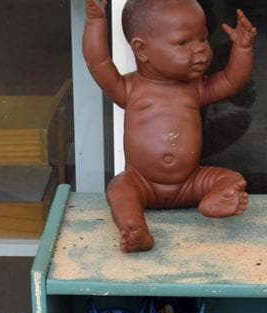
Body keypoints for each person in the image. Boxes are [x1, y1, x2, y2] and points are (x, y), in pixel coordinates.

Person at [84, 0, 257, 252]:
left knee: (231, 179)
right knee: (118, 189)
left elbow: (232, 81)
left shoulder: (196, 88)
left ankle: (213, 200)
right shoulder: (129, 89)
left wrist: (242, 48)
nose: (201, 49)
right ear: (141, 49)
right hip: (141, 182)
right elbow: (97, 61)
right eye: (183, 43)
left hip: (191, 182)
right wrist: (95, 21)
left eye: (203, 39)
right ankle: (136, 229)